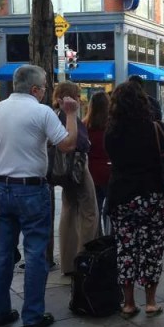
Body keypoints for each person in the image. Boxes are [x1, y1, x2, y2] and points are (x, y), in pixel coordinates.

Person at [0, 65, 78, 327]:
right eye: (44, 87)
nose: (45, 91)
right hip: (33, 189)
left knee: (0, 252)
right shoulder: (41, 112)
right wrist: (71, 114)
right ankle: (33, 315)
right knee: (35, 252)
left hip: (1, 188)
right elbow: (68, 144)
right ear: (35, 89)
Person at [105, 81, 164, 318]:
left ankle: (128, 303)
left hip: (122, 197)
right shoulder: (156, 128)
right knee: (152, 248)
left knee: (126, 249)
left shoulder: (111, 133)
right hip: (153, 196)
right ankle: (151, 302)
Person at [52, 81, 98, 276]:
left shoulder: (54, 115)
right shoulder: (68, 115)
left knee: (68, 211)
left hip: (65, 170)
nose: (80, 99)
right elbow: (79, 142)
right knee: (89, 212)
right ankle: (84, 258)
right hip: (77, 167)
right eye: (78, 95)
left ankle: (68, 262)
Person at [84, 91, 111, 228]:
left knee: (95, 210)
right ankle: (109, 235)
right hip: (110, 171)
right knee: (110, 209)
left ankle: (97, 235)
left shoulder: (85, 125)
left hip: (91, 172)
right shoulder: (112, 125)